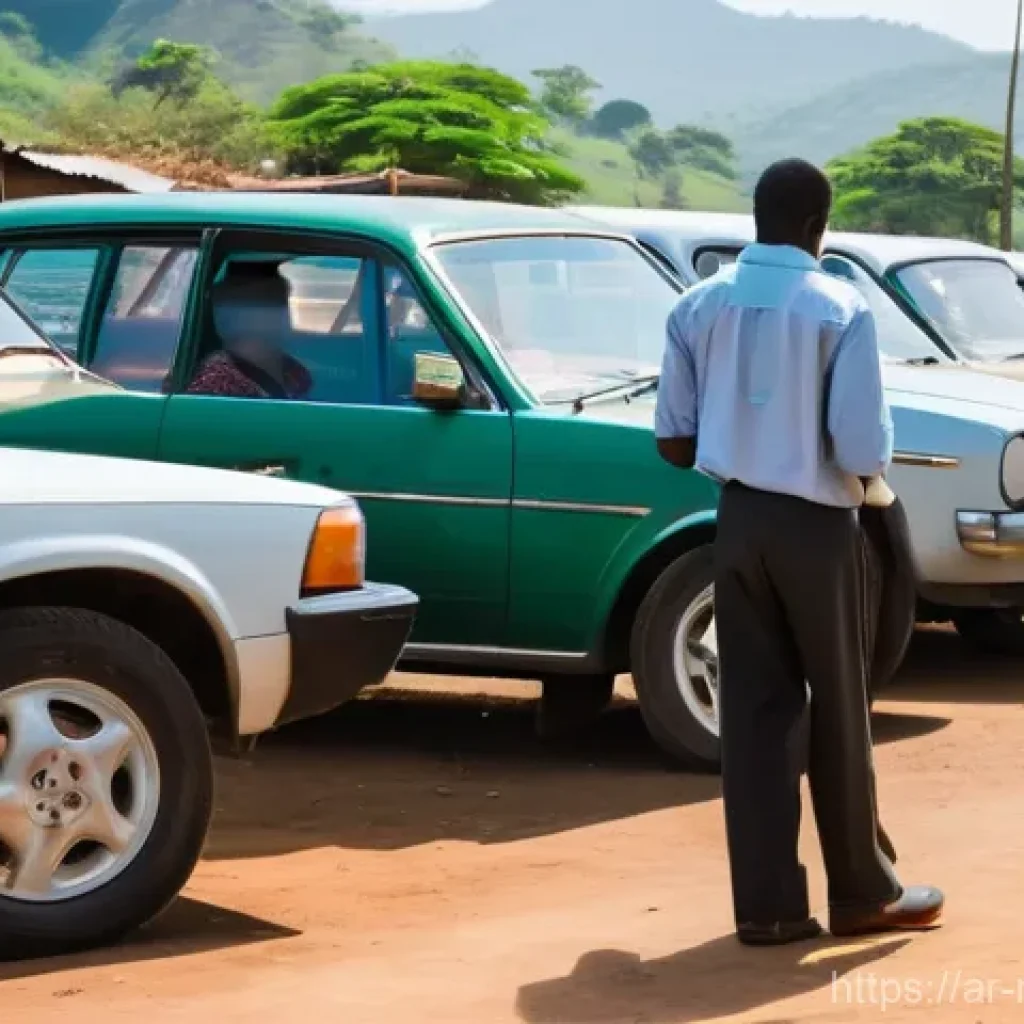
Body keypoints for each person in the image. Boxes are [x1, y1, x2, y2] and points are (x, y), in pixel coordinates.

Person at [654, 158, 943, 946]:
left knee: (753, 716)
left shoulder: (697, 307)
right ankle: (861, 892)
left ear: (756, 217)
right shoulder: (840, 308)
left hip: (737, 520)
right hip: (817, 526)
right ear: (820, 224)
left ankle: (769, 908)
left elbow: (674, 443)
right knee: (839, 709)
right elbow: (857, 448)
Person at [188, 261, 311, 400]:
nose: (283, 313)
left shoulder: (295, 373)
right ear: (235, 315)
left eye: (283, 302)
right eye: (269, 301)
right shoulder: (216, 385)